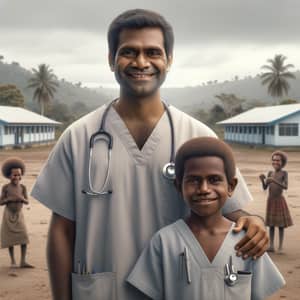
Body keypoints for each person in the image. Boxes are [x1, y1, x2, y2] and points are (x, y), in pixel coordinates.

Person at [31, 9, 269, 300]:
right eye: (128, 51)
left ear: (168, 60)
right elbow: (62, 231)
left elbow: (231, 212)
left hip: (179, 289)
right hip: (102, 291)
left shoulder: (198, 135)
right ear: (110, 59)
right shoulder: (79, 137)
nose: (141, 62)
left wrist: (253, 221)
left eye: (153, 52)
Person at [127, 137, 285, 300]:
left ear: (231, 186)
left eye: (214, 180)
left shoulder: (247, 242)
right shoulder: (164, 242)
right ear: (178, 187)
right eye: (194, 180)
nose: (204, 189)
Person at [0, 157, 34, 269]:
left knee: (23, 237)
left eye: (19, 175)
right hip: (8, 215)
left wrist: (21, 198)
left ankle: (23, 261)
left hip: (19, 215)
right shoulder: (5, 187)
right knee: (10, 239)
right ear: (8, 175)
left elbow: (27, 201)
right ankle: (13, 261)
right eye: (14, 175)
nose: (17, 177)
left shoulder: (23, 187)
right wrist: (8, 200)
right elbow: (0, 202)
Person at [259, 151, 293, 253]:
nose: (275, 162)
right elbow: (265, 187)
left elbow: (285, 186)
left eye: (278, 160)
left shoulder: (284, 173)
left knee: (281, 225)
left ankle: (280, 247)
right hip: (271, 201)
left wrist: (273, 180)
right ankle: (271, 245)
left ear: (283, 162)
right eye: (273, 160)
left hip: (279, 201)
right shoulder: (270, 173)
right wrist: (262, 180)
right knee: (271, 225)